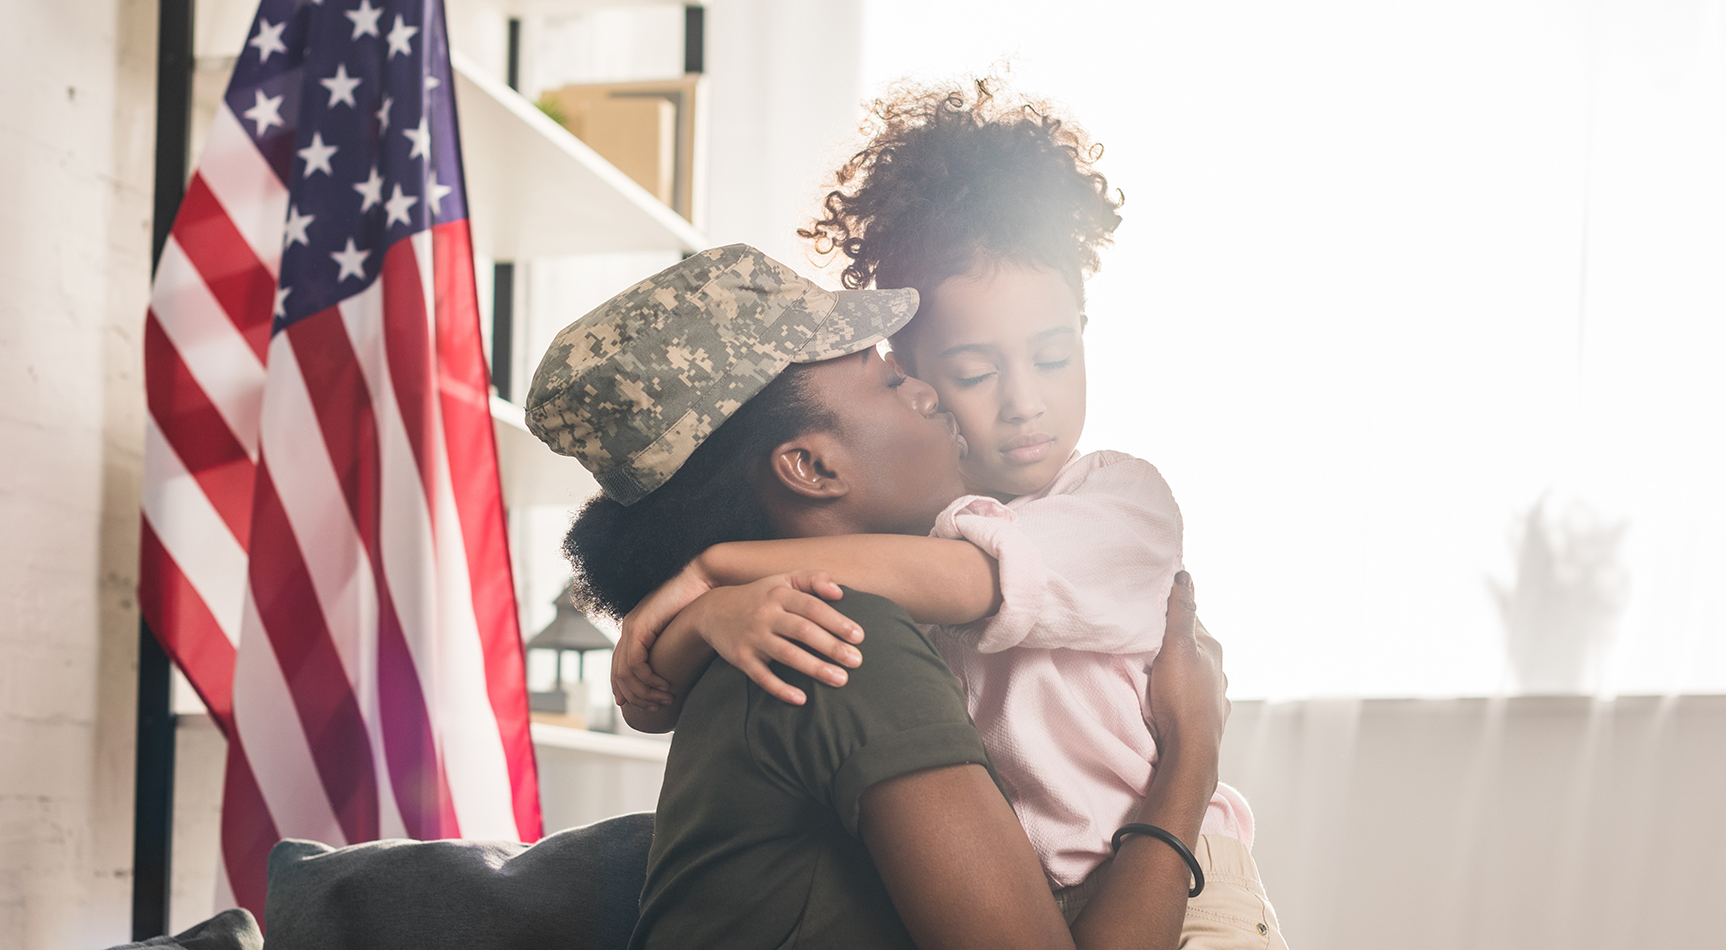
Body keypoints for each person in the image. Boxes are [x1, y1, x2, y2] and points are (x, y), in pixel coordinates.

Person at [613, 82, 1285, 945]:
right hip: (1054, 879)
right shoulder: (887, 565)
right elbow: (652, 702)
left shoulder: (1118, 501)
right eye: (964, 373)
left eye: (1053, 356)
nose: (1023, 403)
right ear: (918, 368)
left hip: (1191, 885)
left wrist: (715, 569)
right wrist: (706, 613)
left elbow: (970, 580)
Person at [527, 245, 1231, 950]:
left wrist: (709, 593)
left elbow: (651, 700)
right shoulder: (833, 638)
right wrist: (1193, 748)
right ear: (811, 466)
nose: (932, 393)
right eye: (893, 380)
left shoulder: (759, 629)